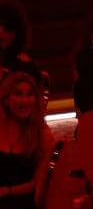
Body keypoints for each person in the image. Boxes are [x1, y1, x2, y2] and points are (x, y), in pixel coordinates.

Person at [0, 72, 52, 208]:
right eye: (18, 94)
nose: (24, 100)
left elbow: (38, 183)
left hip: (23, 202)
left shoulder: (43, 134)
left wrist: (7, 191)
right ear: (6, 99)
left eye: (30, 94)